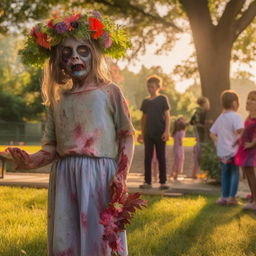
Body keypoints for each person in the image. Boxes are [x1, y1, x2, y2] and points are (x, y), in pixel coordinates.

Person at [0, 11, 134, 256]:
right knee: (67, 240)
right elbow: (51, 147)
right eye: (66, 53)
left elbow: (127, 134)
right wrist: (29, 160)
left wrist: (121, 176)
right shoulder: (58, 98)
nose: (74, 57)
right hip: (65, 179)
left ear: (94, 54)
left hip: (100, 178)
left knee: (101, 239)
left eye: (82, 50)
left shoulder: (109, 91)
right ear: (58, 61)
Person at [210, 90, 243, 206]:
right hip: (234, 152)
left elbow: (212, 133)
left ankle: (224, 197)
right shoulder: (236, 117)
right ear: (234, 103)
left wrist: (218, 141)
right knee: (235, 173)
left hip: (223, 152)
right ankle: (232, 198)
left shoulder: (221, 117)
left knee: (225, 174)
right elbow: (239, 131)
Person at [138, 75, 170, 189]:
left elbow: (167, 116)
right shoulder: (145, 101)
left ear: (158, 87)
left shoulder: (162, 99)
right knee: (148, 158)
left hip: (160, 133)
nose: (149, 89)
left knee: (161, 157)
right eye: (148, 87)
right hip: (148, 134)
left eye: (152, 87)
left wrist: (166, 131)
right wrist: (142, 133)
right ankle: (147, 182)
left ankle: (163, 182)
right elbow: (144, 118)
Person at [235, 91, 256, 211]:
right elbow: (245, 131)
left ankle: (255, 200)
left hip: (251, 149)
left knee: (251, 174)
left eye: (253, 99)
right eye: (249, 98)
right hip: (245, 149)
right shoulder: (249, 117)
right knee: (247, 173)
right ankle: (253, 198)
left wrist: (252, 143)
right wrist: (239, 139)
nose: (249, 101)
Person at [190, 96, 210, 178]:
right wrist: (205, 125)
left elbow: (192, 122)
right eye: (207, 103)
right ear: (203, 104)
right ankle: (197, 174)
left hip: (199, 135)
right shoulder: (200, 112)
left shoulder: (197, 111)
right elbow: (195, 123)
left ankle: (196, 174)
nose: (208, 104)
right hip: (200, 136)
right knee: (200, 154)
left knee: (199, 154)